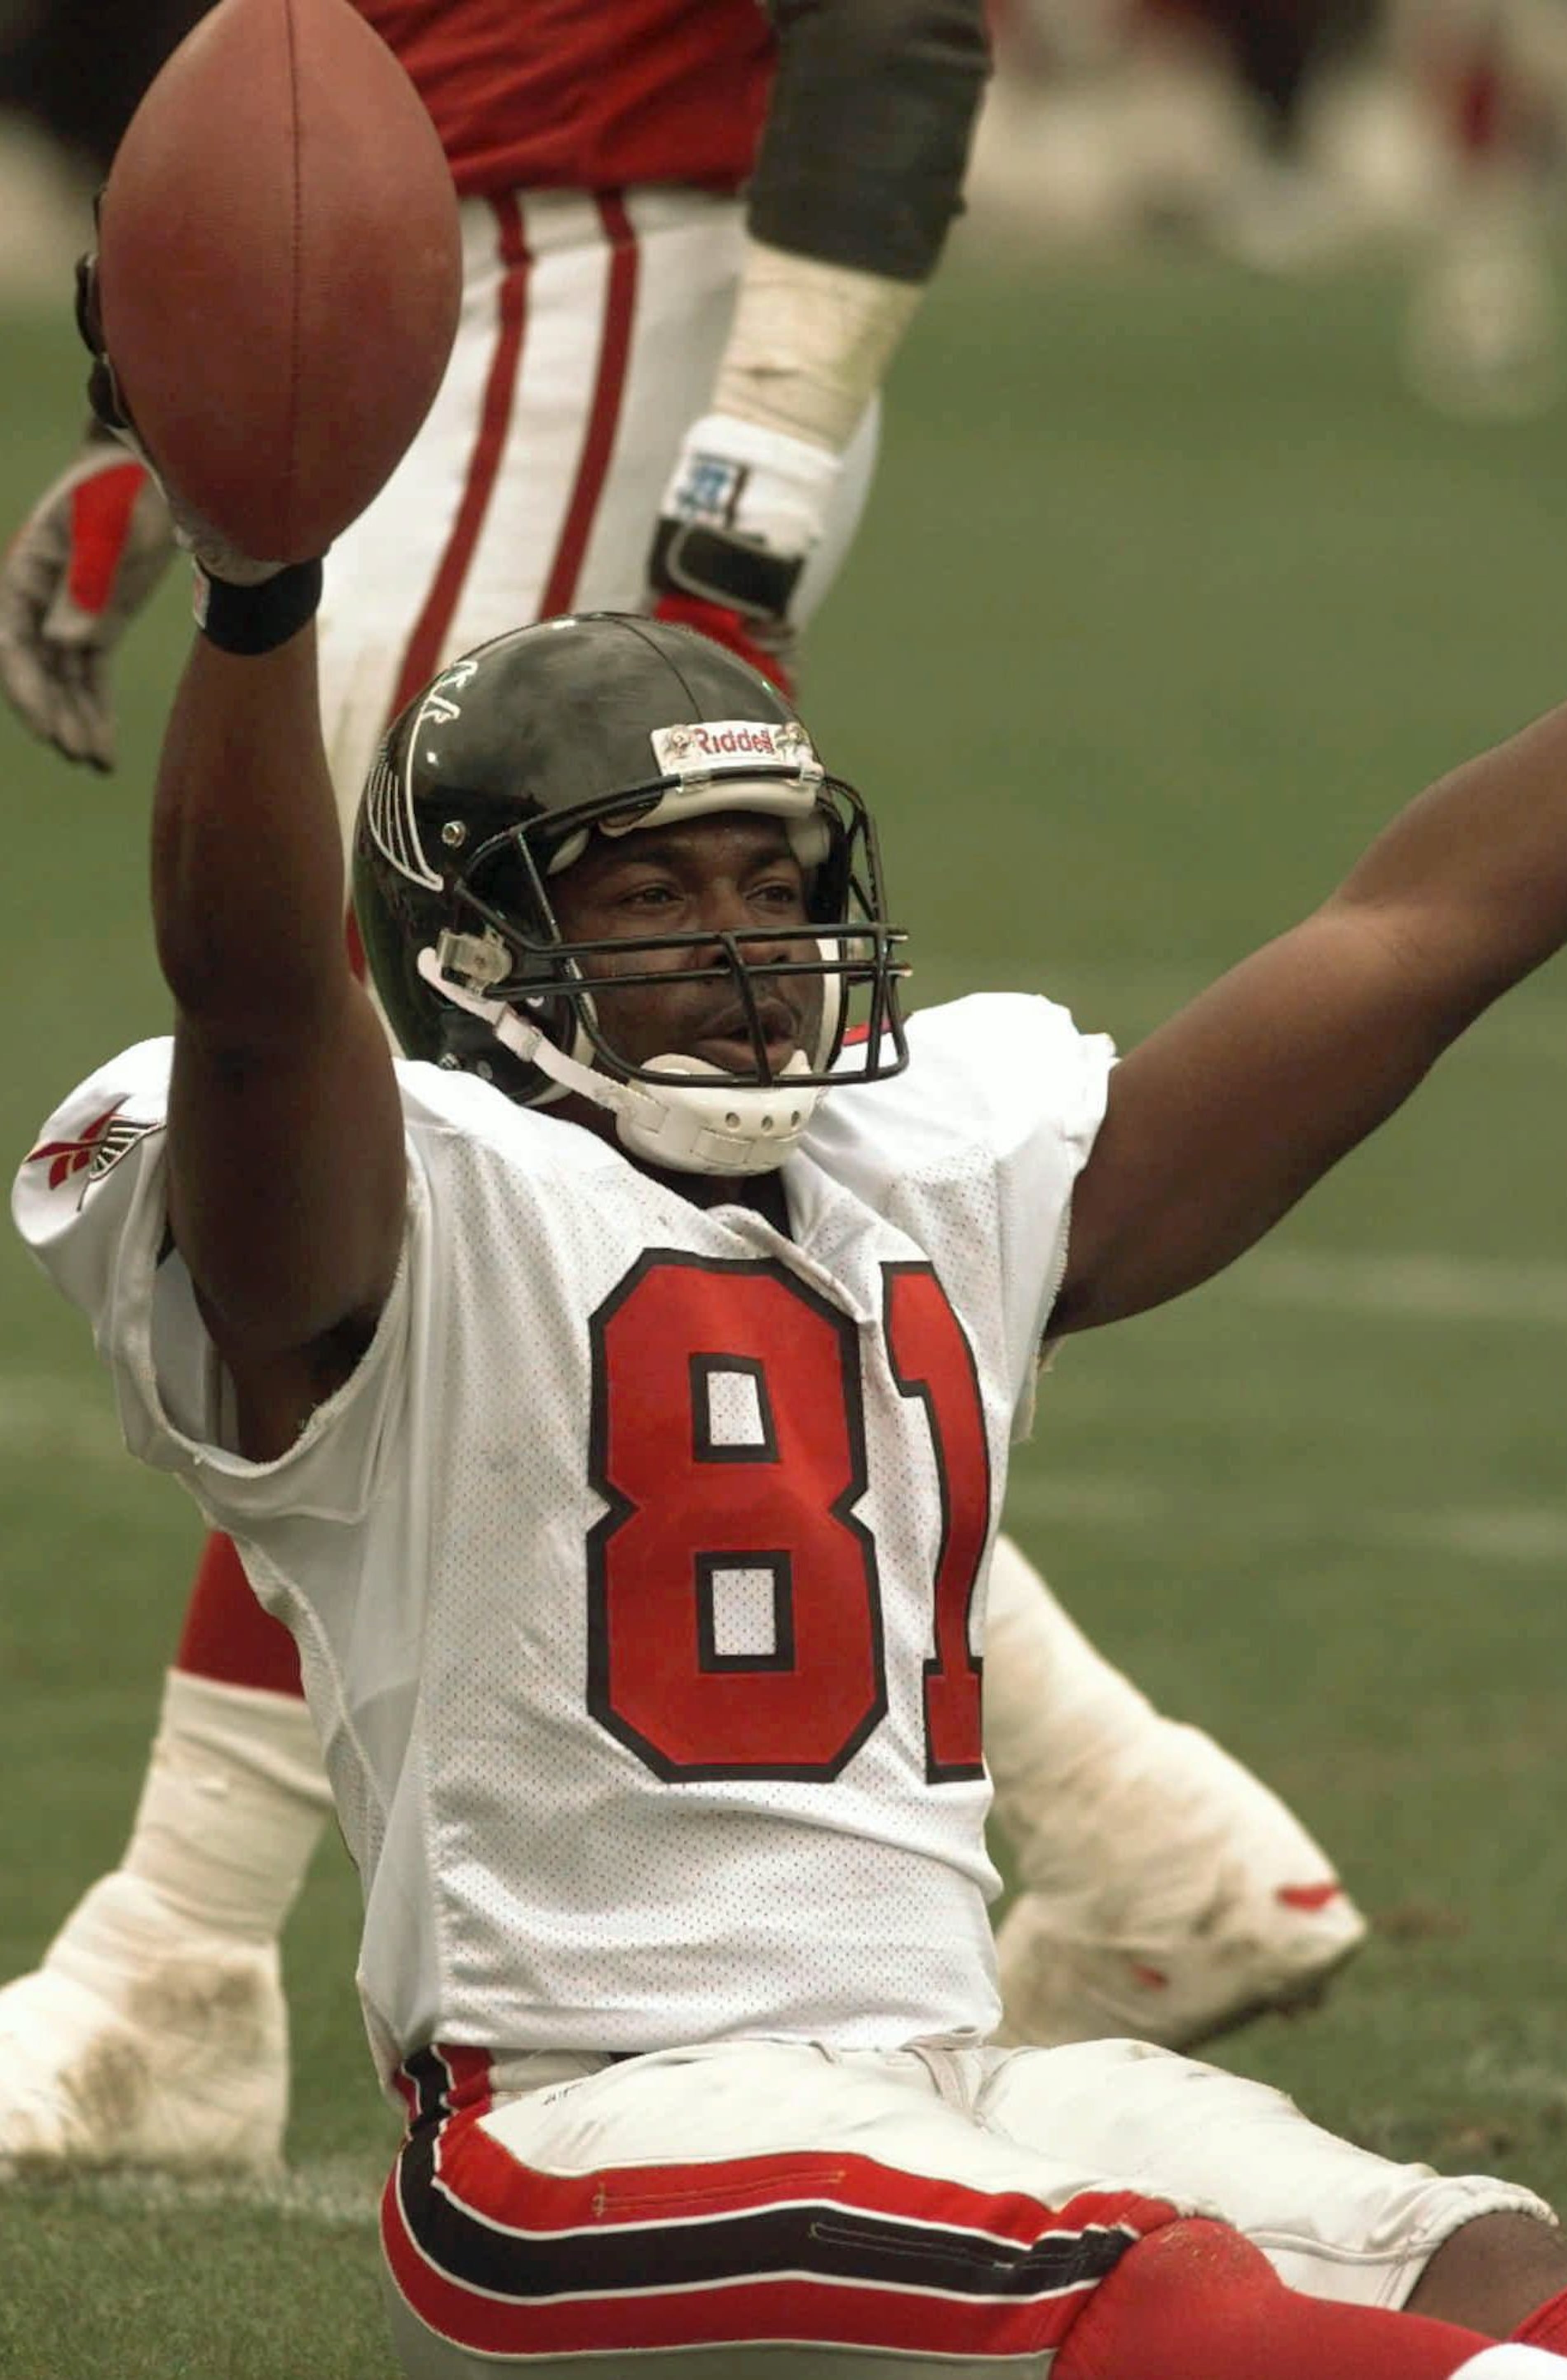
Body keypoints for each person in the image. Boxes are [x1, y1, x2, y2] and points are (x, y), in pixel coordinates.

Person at [14, 353, 1567, 2370]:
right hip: (590, 2133)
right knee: (1182, 2306)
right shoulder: (410, 1210)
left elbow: (1413, 930)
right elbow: (248, 1006)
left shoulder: (913, 1165)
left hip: (945, 2073)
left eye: (776, 879)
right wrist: (255, 599)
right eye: (653, 887)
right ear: (473, 944)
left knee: (1490, 2264)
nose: (746, 941)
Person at [0, 0, 1364, 2176]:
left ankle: (180, 1955)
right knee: (546, 1189)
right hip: (451, 264)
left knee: (445, 1130)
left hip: (603, 255)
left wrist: (772, 431)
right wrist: (169, 407)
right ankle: (1146, 1818)